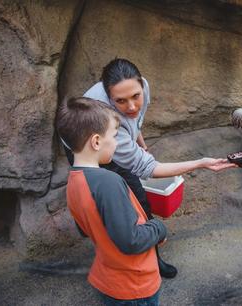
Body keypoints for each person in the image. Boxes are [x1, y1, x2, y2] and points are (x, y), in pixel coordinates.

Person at [70, 58, 236, 279]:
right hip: (84, 148)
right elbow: (149, 168)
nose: (131, 106)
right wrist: (201, 163)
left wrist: (139, 140)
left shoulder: (142, 87)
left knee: (137, 202)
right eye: (120, 101)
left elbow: (135, 118)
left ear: (141, 86)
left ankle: (152, 259)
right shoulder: (108, 126)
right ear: (109, 100)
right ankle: (110, 248)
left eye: (135, 96)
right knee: (107, 201)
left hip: (111, 141)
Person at [56, 97, 166, 305]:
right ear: (96, 141)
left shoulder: (73, 180)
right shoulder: (109, 182)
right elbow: (130, 241)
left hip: (109, 277)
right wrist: (159, 228)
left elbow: (85, 229)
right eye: (114, 136)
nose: (116, 142)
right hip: (134, 285)